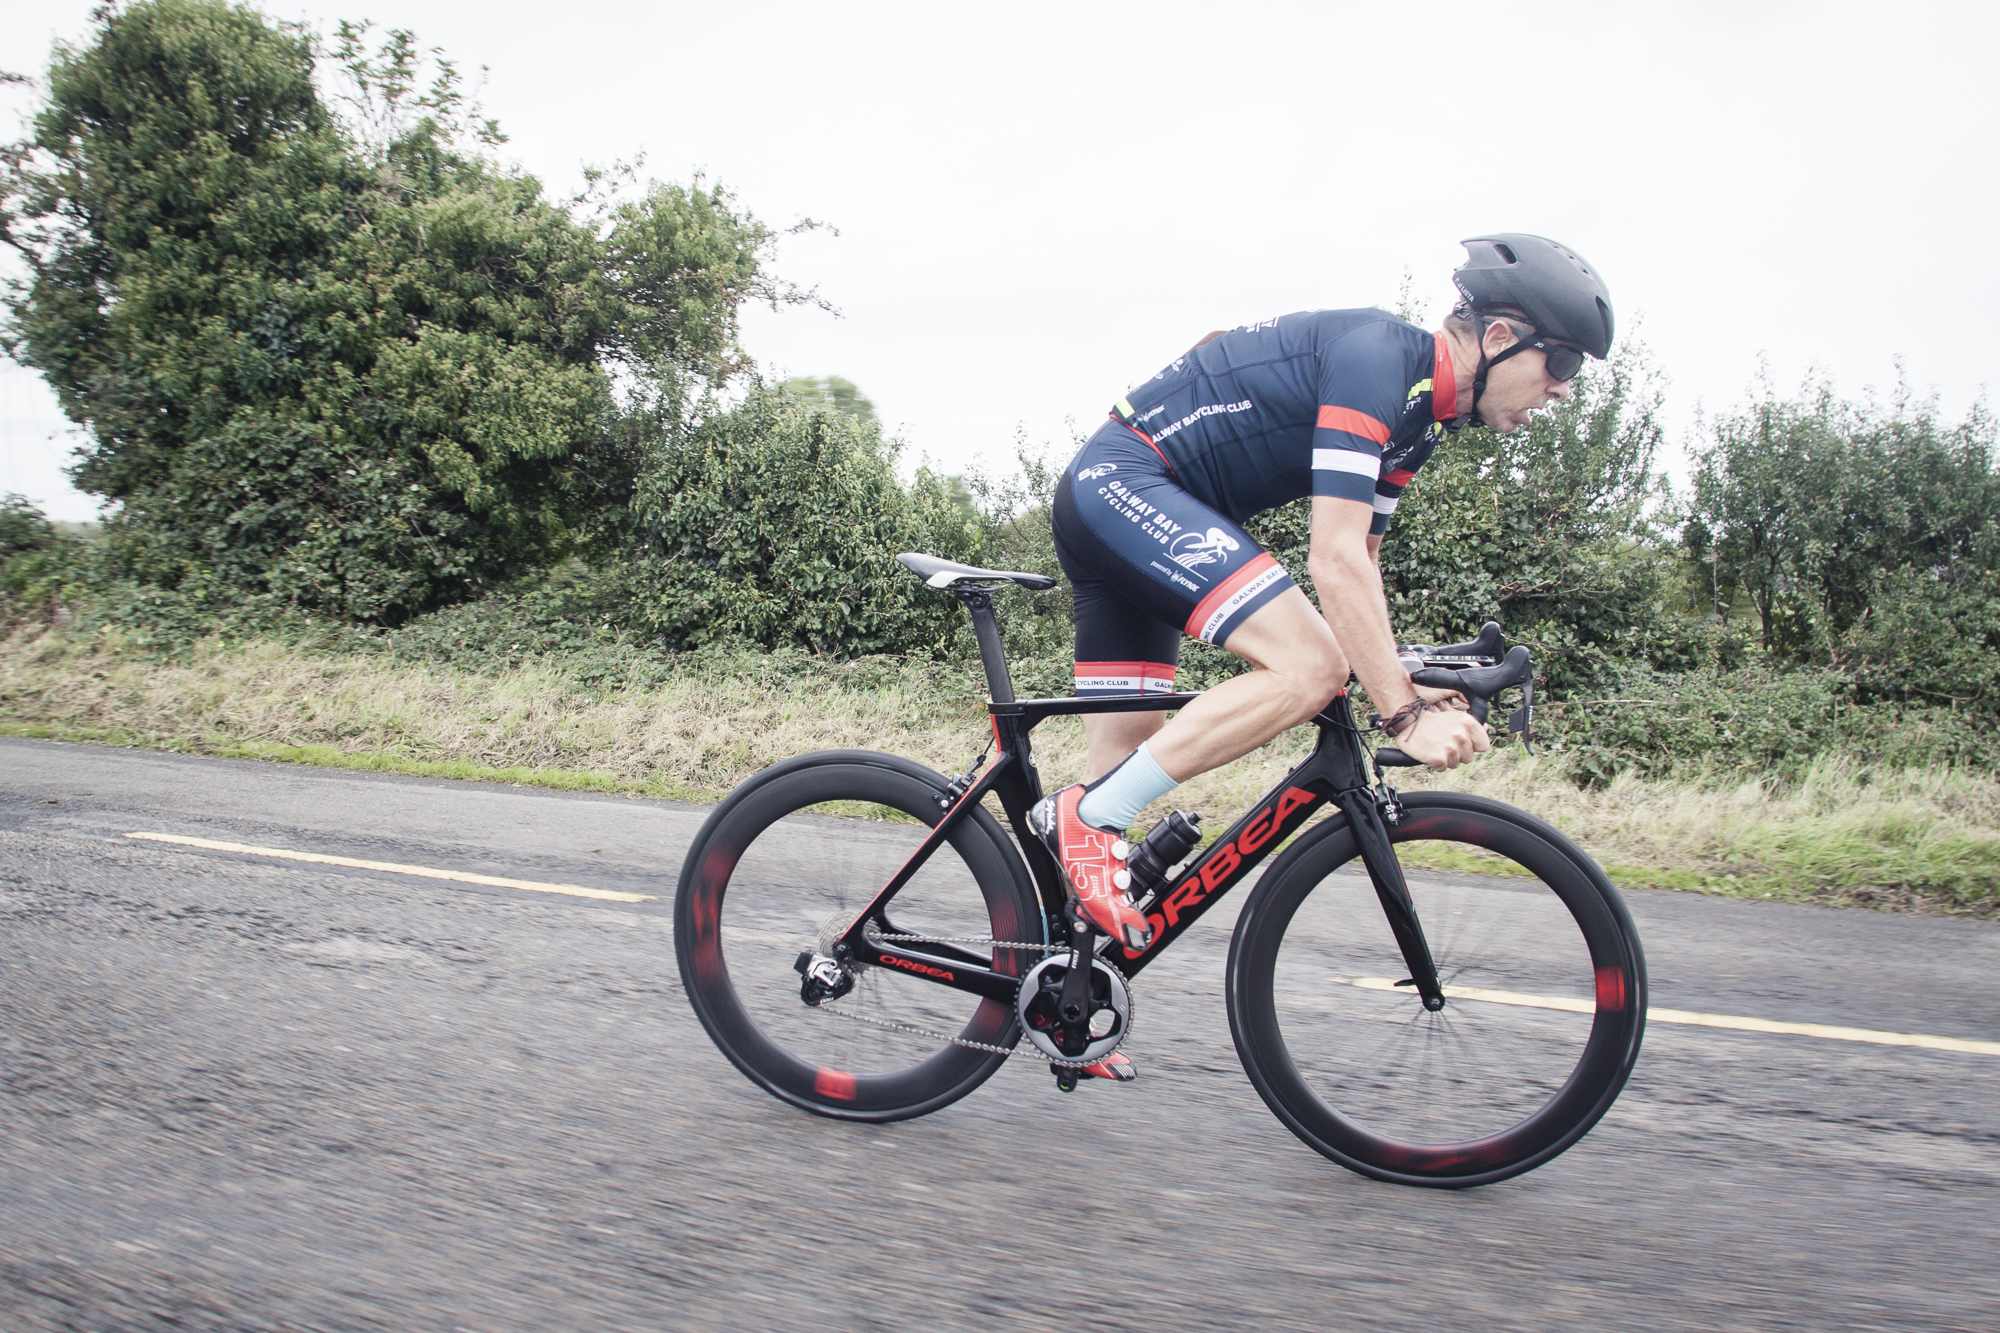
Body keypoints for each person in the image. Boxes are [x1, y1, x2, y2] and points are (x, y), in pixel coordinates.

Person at [1029, 233, 1615, 973]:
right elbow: (1331, 557)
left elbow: (1362, 567)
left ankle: (1059, 991)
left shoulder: (1420, 426)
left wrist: (1402, 673)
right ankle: (1085, 818)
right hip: (1127, 483)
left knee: (1118, 778)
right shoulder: (1379, 359)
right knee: (1309, 668)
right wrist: (1399, 711)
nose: (1563, 388)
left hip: (1134, 507)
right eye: (1561, 363)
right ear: (1499, 336)